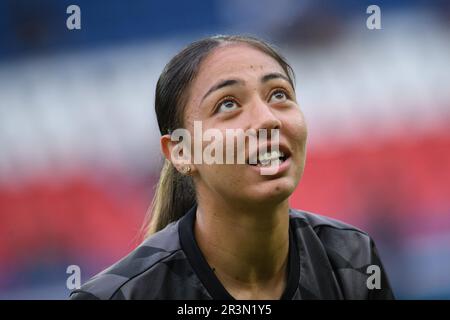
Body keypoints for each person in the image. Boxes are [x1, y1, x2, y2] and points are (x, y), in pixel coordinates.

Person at [69, 35, 395, 300]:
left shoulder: (351, 259)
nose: (268, 118)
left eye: (279, 94)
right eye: (228, 104)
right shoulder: (118, 297)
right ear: (181, 152)